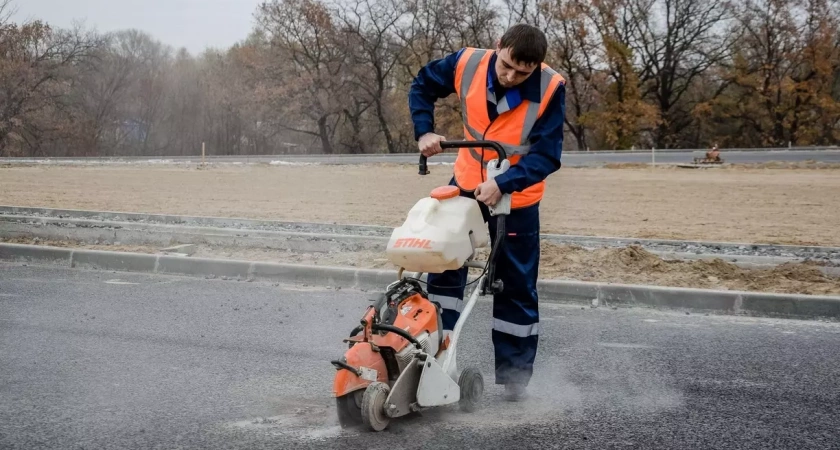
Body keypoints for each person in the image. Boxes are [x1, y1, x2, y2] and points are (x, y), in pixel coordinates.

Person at [408, 24, 566, 401]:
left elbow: (547, 155)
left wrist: (506, 182)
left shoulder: (551, 87)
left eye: (523, 72)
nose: (512, 77)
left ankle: (514, 382)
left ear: (537, 67)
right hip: (465, 184)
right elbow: (422, 85)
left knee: (515, 286)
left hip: (516, 199)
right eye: (507, 66)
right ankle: (433, 356)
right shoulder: (468, 63)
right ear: (499, 47)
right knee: (444, 269)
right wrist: (424, 131)